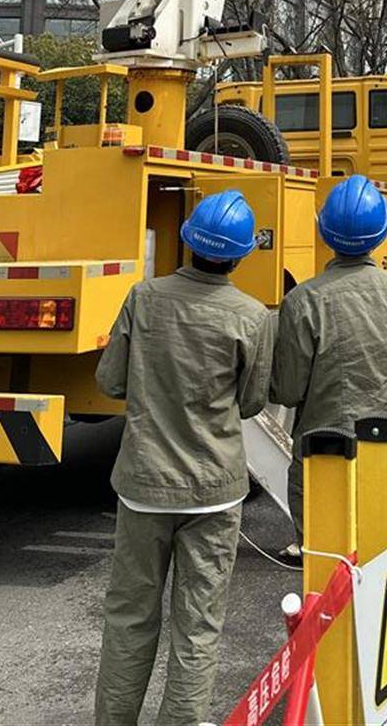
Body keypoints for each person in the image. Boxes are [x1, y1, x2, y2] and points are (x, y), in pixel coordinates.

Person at [94, 189, 273, 726]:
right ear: (240, 255)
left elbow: (108, 381)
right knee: (197, 627)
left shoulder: (143, 298)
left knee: (129, 617)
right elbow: (252, 401)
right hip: (215, 492)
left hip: (143, 485)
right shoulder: (251, 317)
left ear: (188, 238)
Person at [270, 173, 387, 557]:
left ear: (324, 233)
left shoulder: (303, 301)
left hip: (322, 462)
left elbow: (286, 390)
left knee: (325, 578)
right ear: (382, 233)